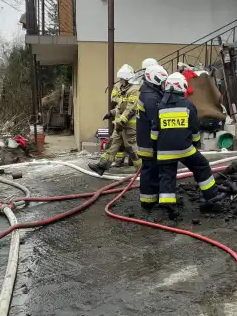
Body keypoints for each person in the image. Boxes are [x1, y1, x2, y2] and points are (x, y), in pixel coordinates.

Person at [150, 72, 223, 218]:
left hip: (164, 151)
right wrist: (195, 144)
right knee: (202, 166)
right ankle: (211, 198)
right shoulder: (188, 105)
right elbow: (195, 130)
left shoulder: (160, 107)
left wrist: (155, 149)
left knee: (167, 176)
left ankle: (169, 207)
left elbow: (154, 132)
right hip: (185, 149)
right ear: (182, 86)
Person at [89, 64, 141, 175]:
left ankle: (142, 170)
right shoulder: (123, 89)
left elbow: (130, 108)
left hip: (129, 126)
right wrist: (112, 113)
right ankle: (101, 166)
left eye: (122, 79)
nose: (120, 81)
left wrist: (121, 121)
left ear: (127, 79)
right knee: (112, 144)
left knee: (132, 149)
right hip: (120, 125)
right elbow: (120, 107)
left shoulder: (134, 90)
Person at [136, 62, 168, 208]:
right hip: (149, 141)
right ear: (155, 81)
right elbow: (156, 120)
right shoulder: (151, 98)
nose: (163, 85)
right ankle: (148, 201)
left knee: (151, 169)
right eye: (161, 82)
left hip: (145, 138)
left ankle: (151, 198)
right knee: (150, 169)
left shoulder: (148, 91)